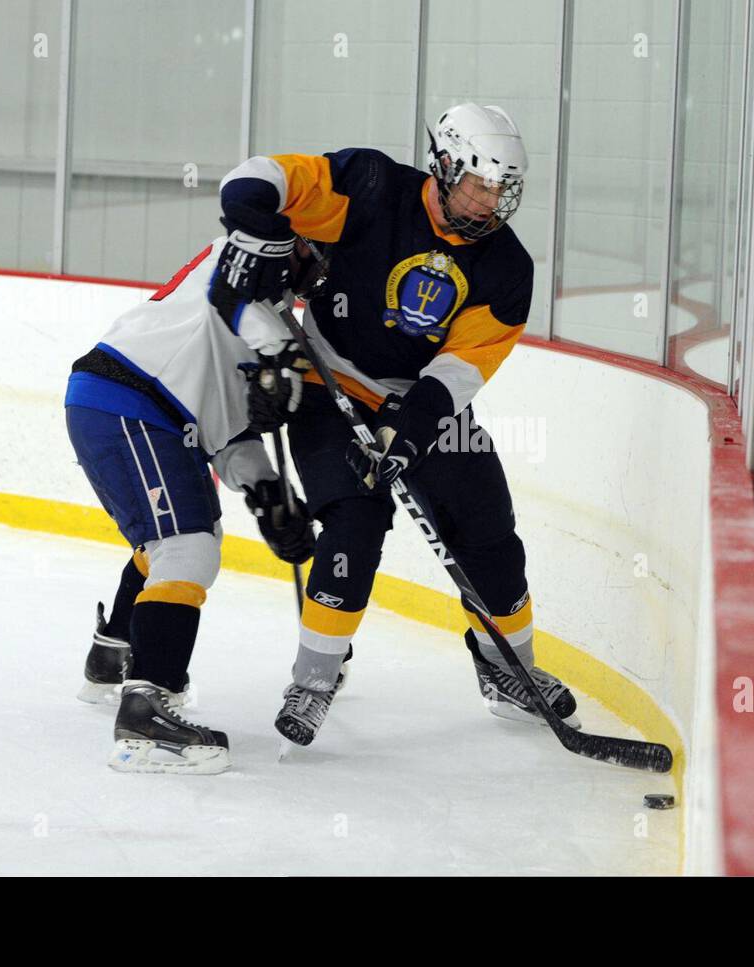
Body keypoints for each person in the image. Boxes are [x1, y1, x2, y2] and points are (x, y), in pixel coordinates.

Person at [216, 103, 580, 747]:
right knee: (354, 522)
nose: (490, 200)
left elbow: (460, 369)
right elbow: (259, 178)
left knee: (490, 532)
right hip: (327, 386)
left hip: (425, 408)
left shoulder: (507, 268)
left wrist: (409, 434)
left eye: (502, 188)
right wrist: (258, 229)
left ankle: (507, 668)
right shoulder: (371, 187)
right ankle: (315, 678)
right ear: (442, 166)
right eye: (478, 182)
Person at [64, 214, 318, 773]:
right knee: (187, 547)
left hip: (137, 408)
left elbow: (227, 435)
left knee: (180, 541)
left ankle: (113, 654)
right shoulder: (240, 263)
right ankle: (146, 718)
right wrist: (280, 355)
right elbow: (233, 291)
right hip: (132, 401)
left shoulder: (264, 310)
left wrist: (268, 494)